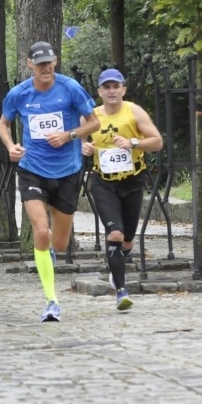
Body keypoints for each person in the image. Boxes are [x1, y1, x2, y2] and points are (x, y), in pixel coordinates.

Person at [0, 41, 100, 322]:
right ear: (29, 64)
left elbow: (94, 123)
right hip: (32, 169)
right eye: (40, 63)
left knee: (61, 243)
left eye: (49, 62)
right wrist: (10, 146)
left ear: (55, 61)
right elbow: (3, 124)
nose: (46, 67)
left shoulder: (69, 88)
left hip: (67, 171)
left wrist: (70, 135)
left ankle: (50, 259)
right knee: (41, 231)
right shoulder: (19, 94)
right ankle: (51, 300)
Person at [82, 68, 163, 311]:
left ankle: (118, 261)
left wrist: (133, 142)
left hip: (132, 180)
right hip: (103, 181)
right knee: (114, 234)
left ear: (123, 90)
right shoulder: (91, 116)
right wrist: (83, 148)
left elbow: (157, 142)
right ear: (99, 92)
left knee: (127, 240)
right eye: (106, 87)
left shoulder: (133, 111)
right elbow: (79, 142)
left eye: (115, 86)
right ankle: (121, 291)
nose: (111, 91)